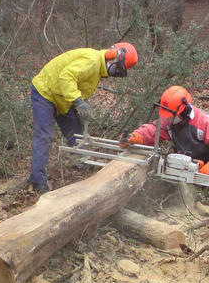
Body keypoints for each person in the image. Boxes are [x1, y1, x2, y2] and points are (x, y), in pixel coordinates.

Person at [30, 42, 138, 192]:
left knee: (77, 133)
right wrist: (79, 102)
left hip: (62, 97)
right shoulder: (92, 61)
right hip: (45, 92)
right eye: (118, 68)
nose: (116, 72)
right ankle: (37, 181)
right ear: (112, 56)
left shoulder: (98, 70)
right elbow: (66, 77)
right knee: (45, 135)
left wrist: (79, 107)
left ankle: (81, 161)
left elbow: (78, 85)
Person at [119, 85, 209, 201]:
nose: (168, 119)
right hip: (187, 157)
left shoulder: (203, 121)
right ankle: (172, 196)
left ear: (184, 110)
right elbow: (152, 130)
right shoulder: (168, 120)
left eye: (171, 116)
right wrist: (135, 137)